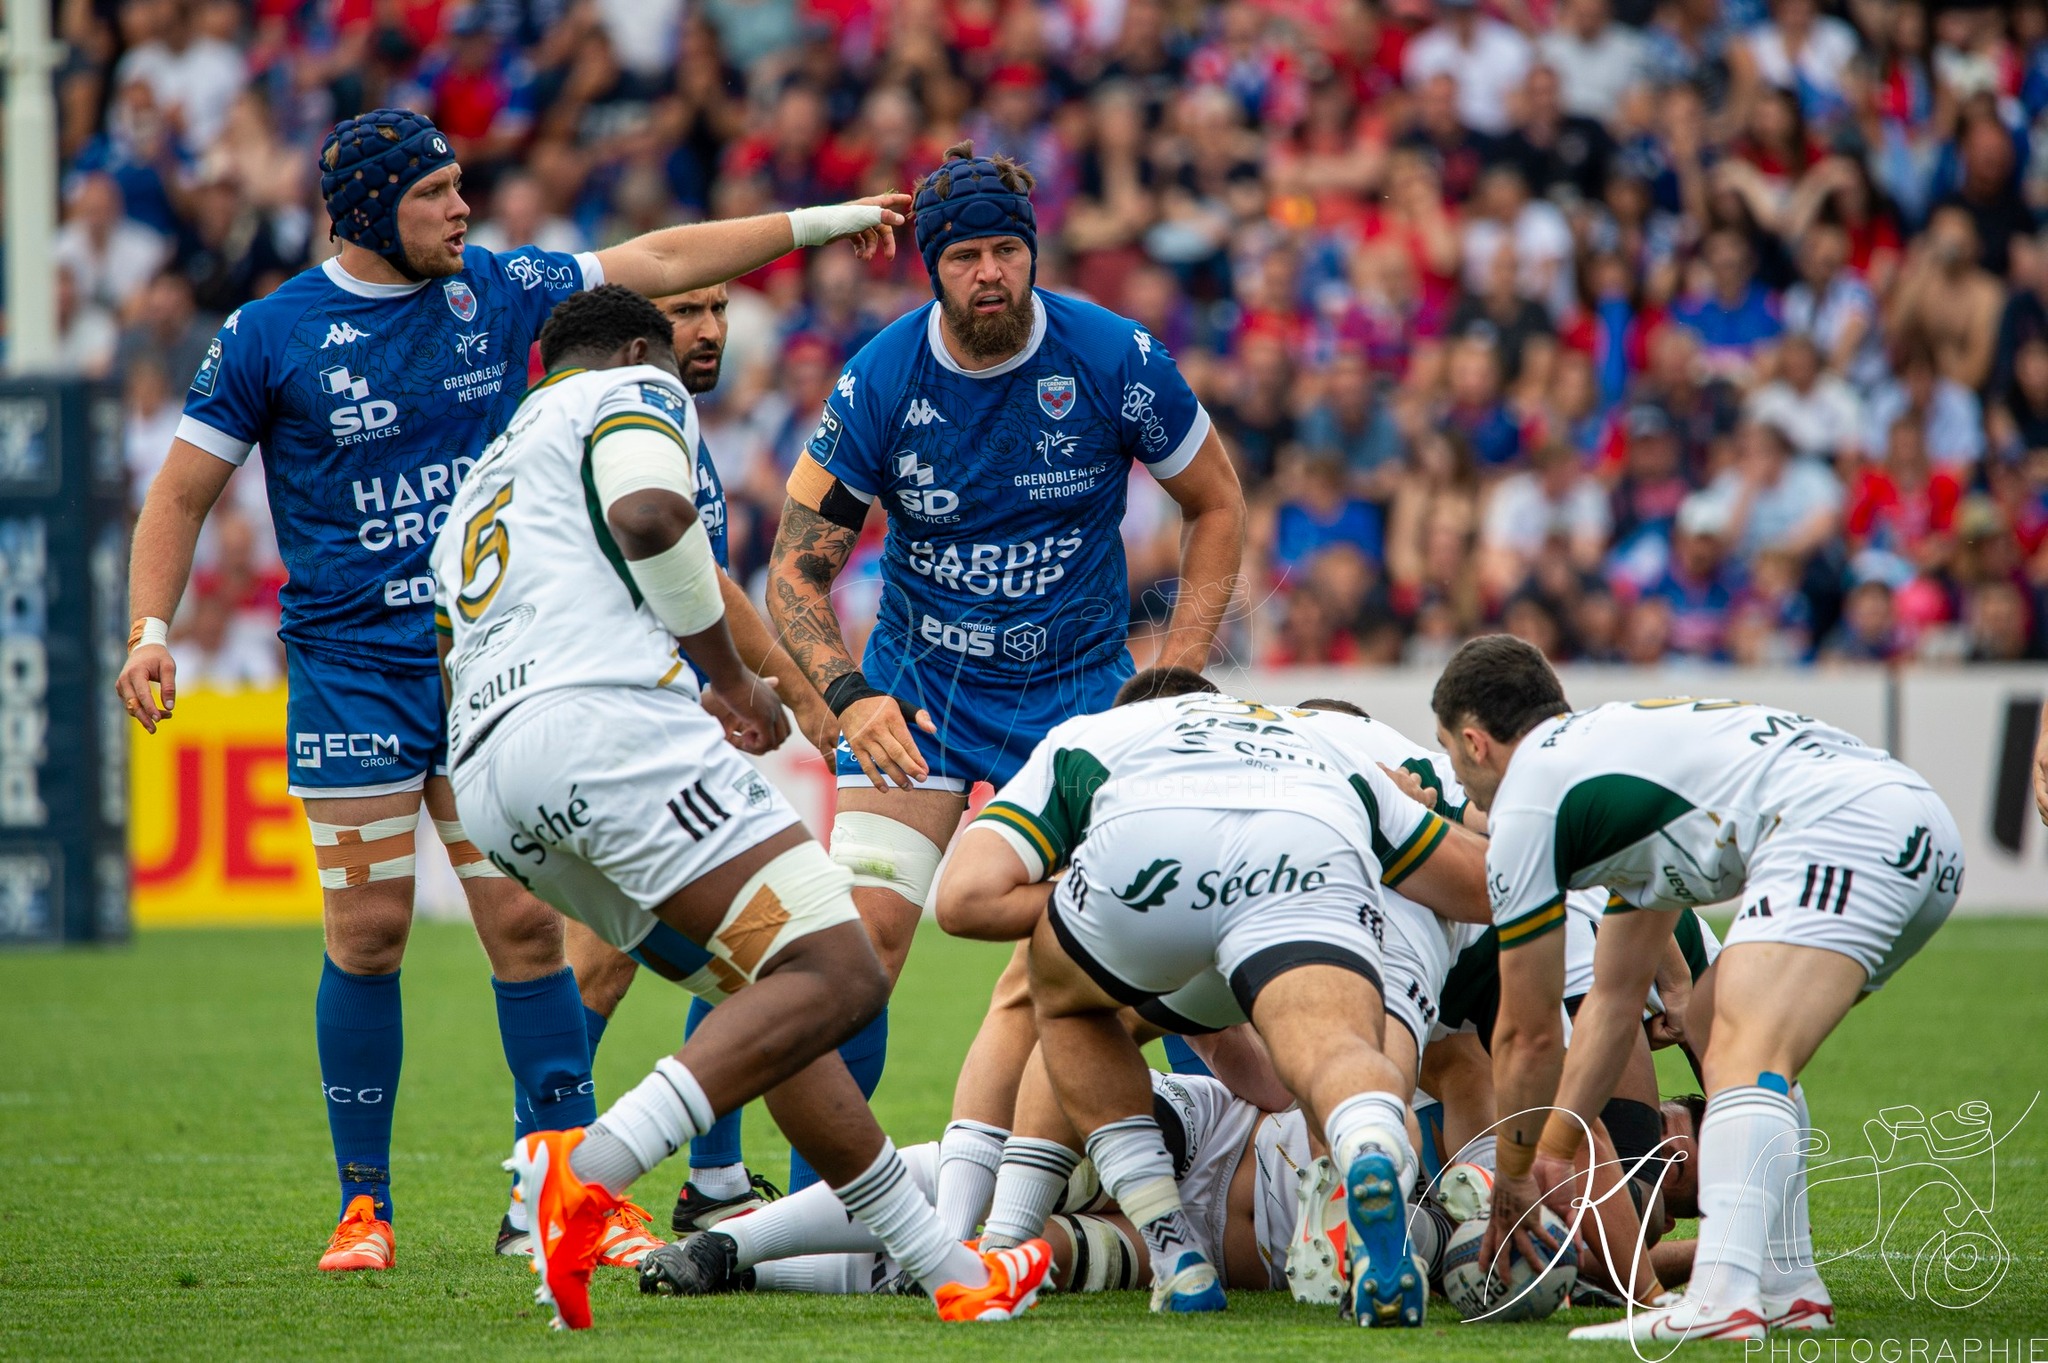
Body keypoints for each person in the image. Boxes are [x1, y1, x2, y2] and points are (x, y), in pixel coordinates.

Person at [113, 107, 907, 1272]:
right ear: (374, 209)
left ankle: (559, 1186)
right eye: (437, 192)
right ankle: (363, 1206)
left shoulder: (495, 288)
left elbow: (658, 262)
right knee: (371, 932)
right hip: (350, 664)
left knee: (528, 928)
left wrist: (821, 222)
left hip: (486, 657)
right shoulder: (268, 335)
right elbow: (181, 495)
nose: (462, 209)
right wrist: (150, 628)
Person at [433, 285, 1051, 1331]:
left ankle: (945, 1269)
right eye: (679, 337)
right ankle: (583, 1168)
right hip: (608, 734)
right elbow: (649, 514)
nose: (695, 351)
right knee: (842, 968)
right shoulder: (631, 388)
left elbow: (451, 646)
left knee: (773, 1004)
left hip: (494, 776)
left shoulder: (489, 471)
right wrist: (727, 678)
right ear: (636, 345)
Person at [761, 141, 1245, 1244]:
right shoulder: (880, 380)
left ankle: (1212, 1174)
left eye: (1005, 252)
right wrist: (847, 697)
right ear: (931, 269)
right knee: (856, 949)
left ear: (1032, 255)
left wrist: (1175, 668)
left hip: (1077, 694)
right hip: (917, 693)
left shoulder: (1114, 355)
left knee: (1144, 937)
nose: (989, 273)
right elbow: (794, 570)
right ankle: (826, 1199)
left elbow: (1216, 505)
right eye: (966, 256)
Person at [1431, 634, 1962, 1341]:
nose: (1461, 781)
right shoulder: (1610, 764)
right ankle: (1787, 1282)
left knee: (1746, 1043)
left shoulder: (1528, 800)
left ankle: (1721, 1298)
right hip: (1916, 827)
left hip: (1848, 828)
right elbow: (1612, 1004)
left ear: (1475, 743)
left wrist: (1515, 1171)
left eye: (1451, 754)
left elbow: (1526, 1034)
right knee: (1713, 1020)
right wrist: (1554, 1155)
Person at [931, 685, 1492, 1324]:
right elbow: (1480, 884)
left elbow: (963, 900)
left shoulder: (1089, 737)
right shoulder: (1338, 746)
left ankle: (1137, 1253)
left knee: (1069, 1006)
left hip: (1151, 857)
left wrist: (1088, 903)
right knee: (1336, 1050)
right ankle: (1369, 1150)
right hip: (1307, 855)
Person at [556, 282, 845, 1238]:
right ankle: (547, 1182)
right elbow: (687, 572)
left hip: (672, 721)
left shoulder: (673, 426)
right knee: (600, 966)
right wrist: (787, 691)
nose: (710, 329)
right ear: (635, 337)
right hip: (615, 729)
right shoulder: (628, 417)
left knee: (752, 941)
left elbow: (706, 576)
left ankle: (713, 1177)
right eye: (686, 312)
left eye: (719, 309)